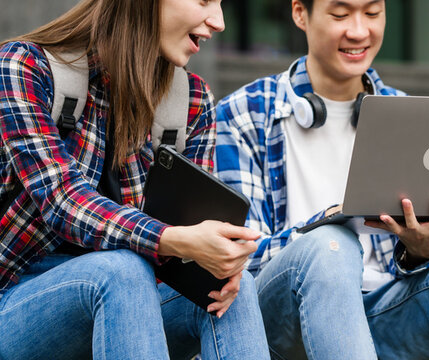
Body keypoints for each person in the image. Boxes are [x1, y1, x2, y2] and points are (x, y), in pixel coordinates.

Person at [213, 0, 429, 358]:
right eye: (340, 14)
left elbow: (420, 268)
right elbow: (240, 259)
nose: (360, 31)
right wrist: (330, 221)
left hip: (382, 316)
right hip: (282, 319)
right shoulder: (243, 114)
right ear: (300, 13)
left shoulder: (410, 113)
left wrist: (422, 247)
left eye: (373, 13)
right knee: (332, 246)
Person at [0, 0, 270, 358]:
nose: (219, 21)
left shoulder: (192, 101)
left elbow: (187, 242)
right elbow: (62, 201)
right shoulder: (23, 66)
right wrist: (174, 239)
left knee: (232, 292)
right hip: (16, 300)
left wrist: (216, 262)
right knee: (121, 270)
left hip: (132, 300)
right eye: (204, 0)